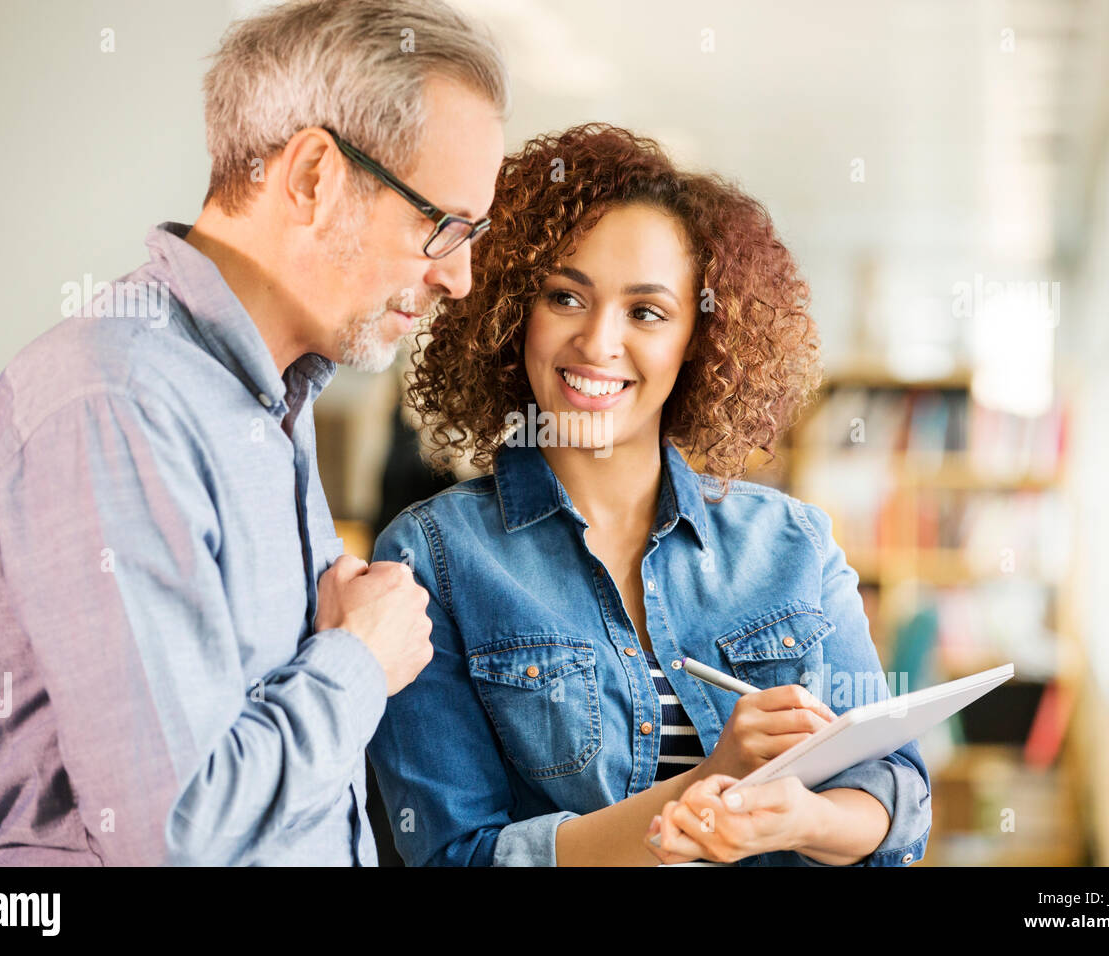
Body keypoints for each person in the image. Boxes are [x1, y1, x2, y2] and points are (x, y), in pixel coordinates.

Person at [0, 0, 507, 865]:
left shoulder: (273, 400)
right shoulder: (110, 402)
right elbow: (178, 834)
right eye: (443, 226)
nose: (460, 278)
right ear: (315, 176)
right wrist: (361, 659)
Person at [367, 124, 932, 866]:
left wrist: (799, 820)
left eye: (646, 312)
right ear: (511, 315)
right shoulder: (432, 559)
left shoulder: (793, 543)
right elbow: (452, 856)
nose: (599, 343)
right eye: (566, 296)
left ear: (699, 338)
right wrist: (708, 784)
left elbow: (900, 798)